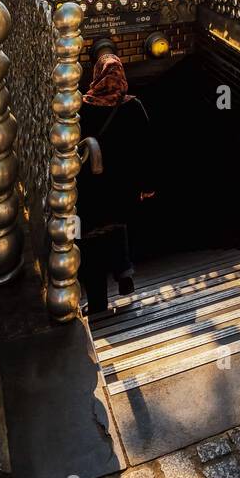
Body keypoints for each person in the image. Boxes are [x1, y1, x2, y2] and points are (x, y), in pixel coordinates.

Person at [77, 48, 154, 313]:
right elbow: (147, 149)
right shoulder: (133, 105)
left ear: (97, 75)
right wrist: (147, 185)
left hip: (90, 187)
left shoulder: (82, 106)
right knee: (117, 225)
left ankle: (98, 301)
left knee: (91, 239)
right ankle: (124, 274)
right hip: (122, 186)